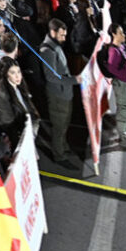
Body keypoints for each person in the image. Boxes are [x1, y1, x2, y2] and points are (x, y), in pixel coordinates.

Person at [38, 19, 83, 169]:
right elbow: (51, 77)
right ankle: (59, 155)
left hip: (65, 93)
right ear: (53, 32)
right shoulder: (47, 51)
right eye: (62, 35)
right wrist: (74, 80)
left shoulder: (55, 46)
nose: (64, 38)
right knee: (59, 127)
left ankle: (63, 146)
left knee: (64, 124)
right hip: (58, 95)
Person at [97, 23, 126, 151]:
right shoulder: (113, 51)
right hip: (121, 84)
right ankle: (124, 139)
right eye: (121, 33)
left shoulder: (120, 47)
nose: (124, 35)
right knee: (123, 111)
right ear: (114, 34)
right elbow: (112, 68)